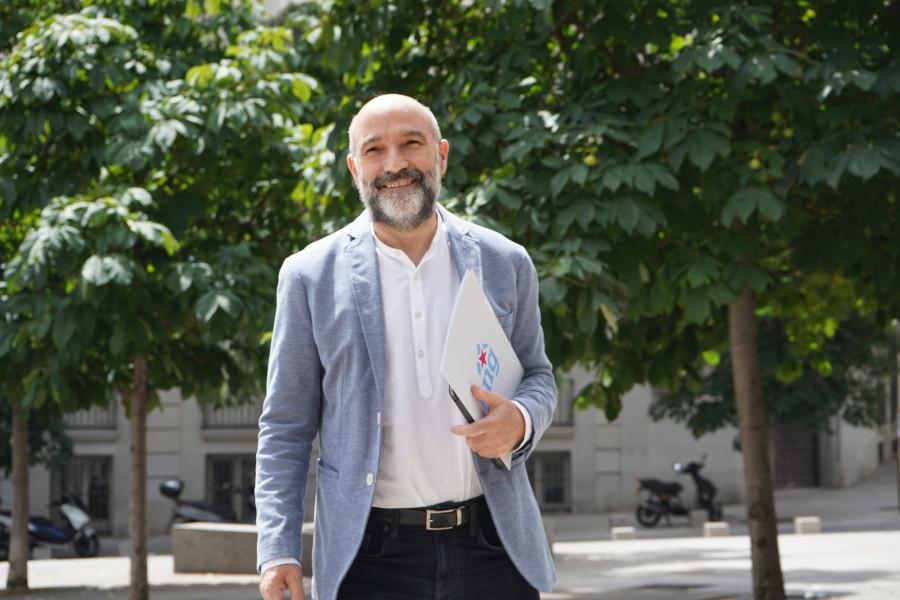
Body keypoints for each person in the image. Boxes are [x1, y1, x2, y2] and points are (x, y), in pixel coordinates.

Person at [255, 94, 557, 600]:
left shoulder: (506, 261)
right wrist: (277, 549)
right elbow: (286, 426)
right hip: (370, 558)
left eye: (410, 144)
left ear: (440, 155)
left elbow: (539, 377)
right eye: (375, 150)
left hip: (493, 546)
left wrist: (522, 421)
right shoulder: (308, 275)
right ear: (355, 168)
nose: (394, 163)